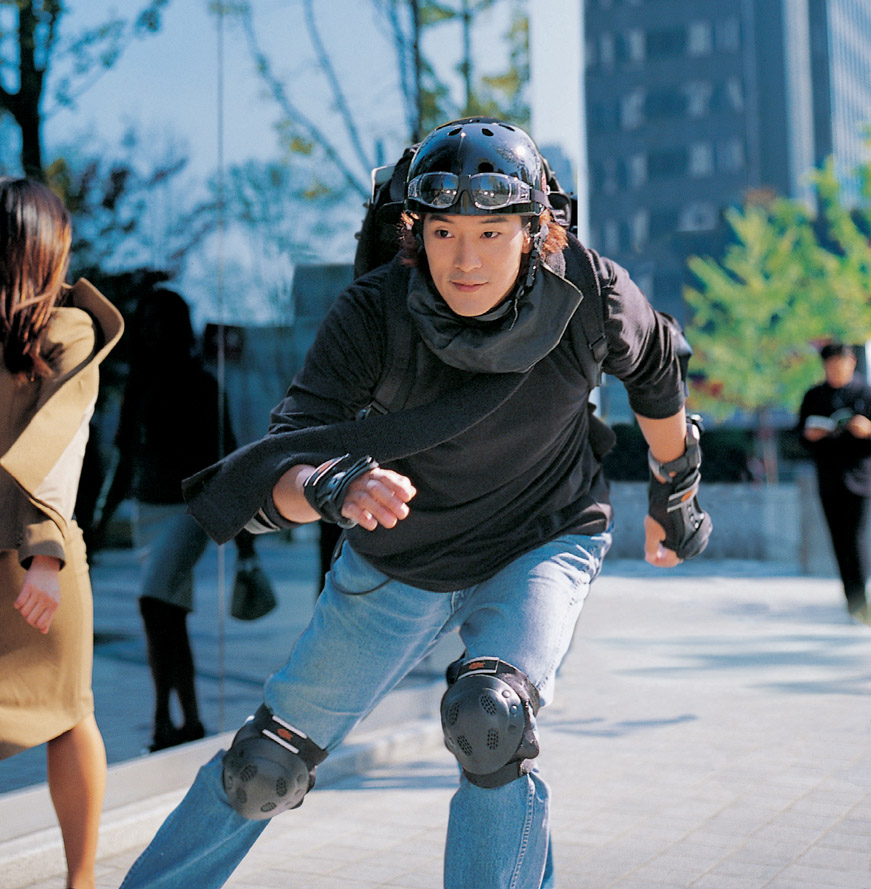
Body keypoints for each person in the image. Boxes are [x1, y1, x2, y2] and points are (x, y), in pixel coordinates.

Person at [119, 118, 711, 889]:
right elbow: (283, 459)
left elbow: (657, 369)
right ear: (414, 231)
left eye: (491, 232)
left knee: (489, 718)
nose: (465, 260)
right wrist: (332, 484)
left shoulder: (589, 292)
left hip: (542, 534)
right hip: (400, 554)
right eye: (442, 232)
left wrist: (674, 490)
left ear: (534, 231)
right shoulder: (375, 313)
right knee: (264, 764)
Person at [0, 177, 123, 889]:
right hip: (38, 558)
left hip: (34, 556)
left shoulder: (69, 329)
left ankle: (82, 881)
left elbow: (57, 445)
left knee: (69, 715)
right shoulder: (64, 328)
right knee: (71, 718)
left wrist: (43, 554)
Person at [92, 288, 266, 752]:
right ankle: (188, 720)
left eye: (160, 321)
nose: (152, 330)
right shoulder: (141, 383)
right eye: (146, 321)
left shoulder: (202, 385)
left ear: (177, 327)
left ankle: (160, 720)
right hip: (147, 510)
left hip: (189, 512)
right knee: (168, 616)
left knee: (154, 605)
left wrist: (245, 542)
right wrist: (97, 524)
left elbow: (229, 459)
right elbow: (124, 458)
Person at [798, 342, 871, 625]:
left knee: (857, 540)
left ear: (852, 363)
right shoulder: (814, 396)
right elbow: (799, 435)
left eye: (841, 365)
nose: (836, 371)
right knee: (840, 542)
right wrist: (811, 435)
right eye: (831, 366)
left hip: (862, 480)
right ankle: (854, 603)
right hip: (829, 480)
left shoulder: (866, 394)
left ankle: (860, 602)